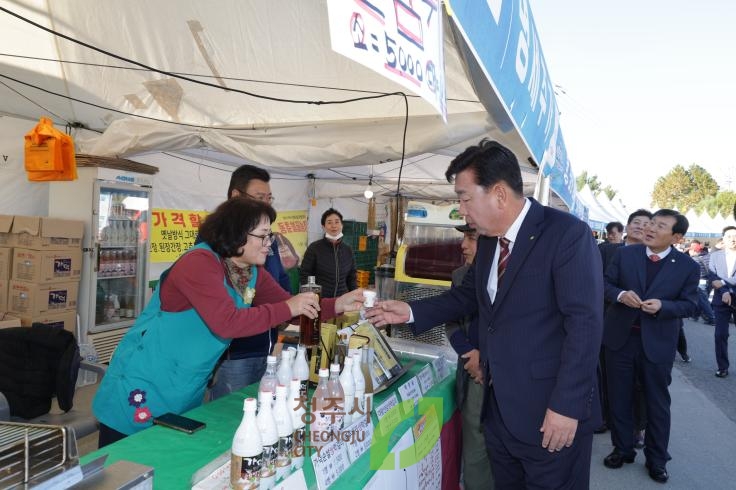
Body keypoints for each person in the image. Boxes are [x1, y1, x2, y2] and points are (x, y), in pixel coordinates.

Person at [366, 139, 603, 489]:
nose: (461, 209)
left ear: (499, 194)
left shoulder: (566, 234)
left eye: (464, 198)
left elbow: (585, 325)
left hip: (549, 413)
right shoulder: (491, 240)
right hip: (499, 411)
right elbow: (467, 297)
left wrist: (566, 407)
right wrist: (411, 311)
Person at [92, 198, 364, 447]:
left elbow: (292, 307)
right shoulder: (199, 263)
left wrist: (339, 303)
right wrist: (287, 306)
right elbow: (227, 322)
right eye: (263, 236)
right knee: (125, 465)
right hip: (146, 380)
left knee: (168, 458)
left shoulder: (250, 272)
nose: (270, 243)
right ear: (236, 235)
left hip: (186, 382)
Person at [602, 209, 698, 483]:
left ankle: (657, 459)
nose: (651, 228)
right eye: (651, 223)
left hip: (657, 345)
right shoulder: (625, 255)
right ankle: (622, 449)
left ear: (677, 237)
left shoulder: (687, 267)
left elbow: (691, 305)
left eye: (661, 226)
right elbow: (604, 284)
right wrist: (620, 294)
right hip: (620, 340)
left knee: (657, 403)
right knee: (619, 397)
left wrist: (664, 306)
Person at [204, 165, 292, 400]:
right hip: (234, 353)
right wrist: (285, 309)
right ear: (236, 197)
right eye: (259, 198)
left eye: (269, 198)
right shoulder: (210, 251)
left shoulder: (265, 240)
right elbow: (225, 319)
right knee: (231, 418)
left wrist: (289, 312)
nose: (267, 204)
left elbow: (281, 284)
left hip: (267, 345)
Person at [445, 223, 494, 490]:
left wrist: (486, 358)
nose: (463, 245)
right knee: (474, 436)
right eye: (464, 237)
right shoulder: (460, 274)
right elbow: (450, 322)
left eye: (471, 238)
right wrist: (470, 354)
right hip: (471, 369)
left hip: (500, 369)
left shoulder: (509, 275)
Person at [300, 208, 357, 298]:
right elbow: (305, 274)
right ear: (323, 227)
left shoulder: (348, 250)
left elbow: (352, 277)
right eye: (329, 222)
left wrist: (355, 296)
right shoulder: (314, 248)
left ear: (342, 225)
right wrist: (312, 297)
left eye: (337, 222)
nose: (333, 226)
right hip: (321, 300)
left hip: (343, 300)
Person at [707, 226, 736, 378]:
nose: (733, 239)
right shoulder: (715, 256)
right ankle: (722, 367)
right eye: (729, 236)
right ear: (724, 239)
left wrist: (724, 286)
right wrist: (724, 291)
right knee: (720, 335)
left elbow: (720, 281)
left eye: (735, 236)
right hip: (721, 300)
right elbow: (712, 277)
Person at [689, 240, 715, 325]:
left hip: (700, 281)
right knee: (701, 299)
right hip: (708, 281)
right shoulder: (708, 256)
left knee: (704, 301)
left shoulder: (694, 259)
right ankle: (695, 315)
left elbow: (693, 272)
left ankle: (712, 319)